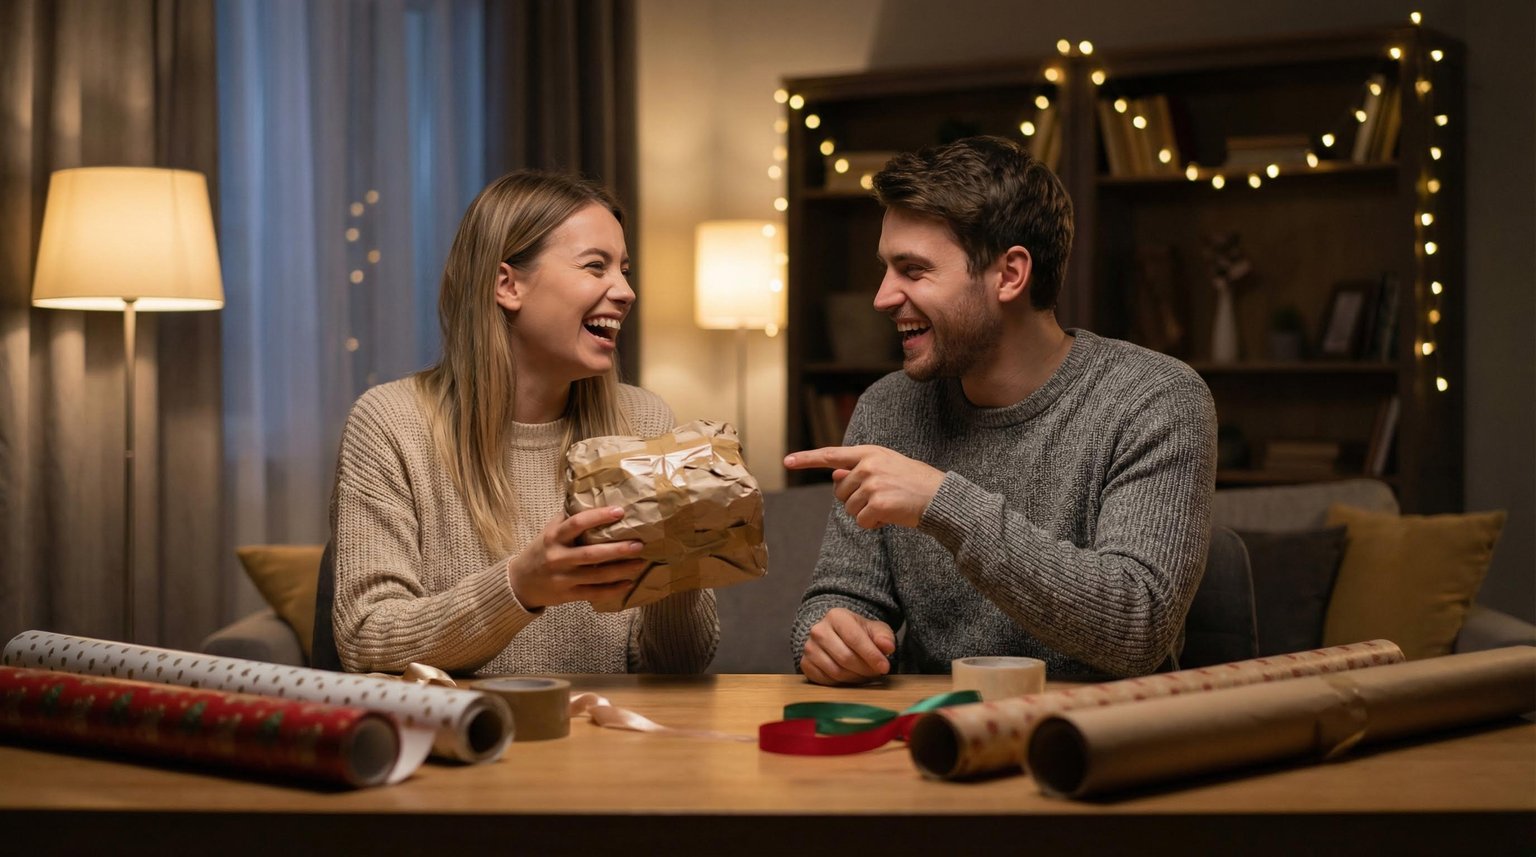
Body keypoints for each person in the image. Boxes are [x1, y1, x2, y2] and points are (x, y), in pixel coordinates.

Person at [787, 136, 1216, 684]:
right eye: (886, 269)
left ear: (1010, 274)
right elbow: (841, 595)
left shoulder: (1153, 398)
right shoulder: (886, 408)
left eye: (912, 270)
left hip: (1100, 743)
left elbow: (1137, 627)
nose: (882, 297)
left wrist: (942, 502)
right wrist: (830, 635)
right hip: (932, 737)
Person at [329, 170, 718, 675]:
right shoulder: (391, 423)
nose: (625, 291)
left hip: (608, 741)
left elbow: (681, 665)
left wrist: (681, 564)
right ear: (508, 285)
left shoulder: (644, 419)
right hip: (464, 740)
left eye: (624, 269)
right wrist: (518, 588)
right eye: (595, 266)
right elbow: (367, 639)